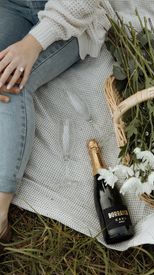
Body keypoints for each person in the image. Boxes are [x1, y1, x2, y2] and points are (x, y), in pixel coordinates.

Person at [0, 0, 114, 251]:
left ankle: (1, 216)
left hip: (73, 16)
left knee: (12, 84)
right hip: (10, 7)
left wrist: (32, 44)